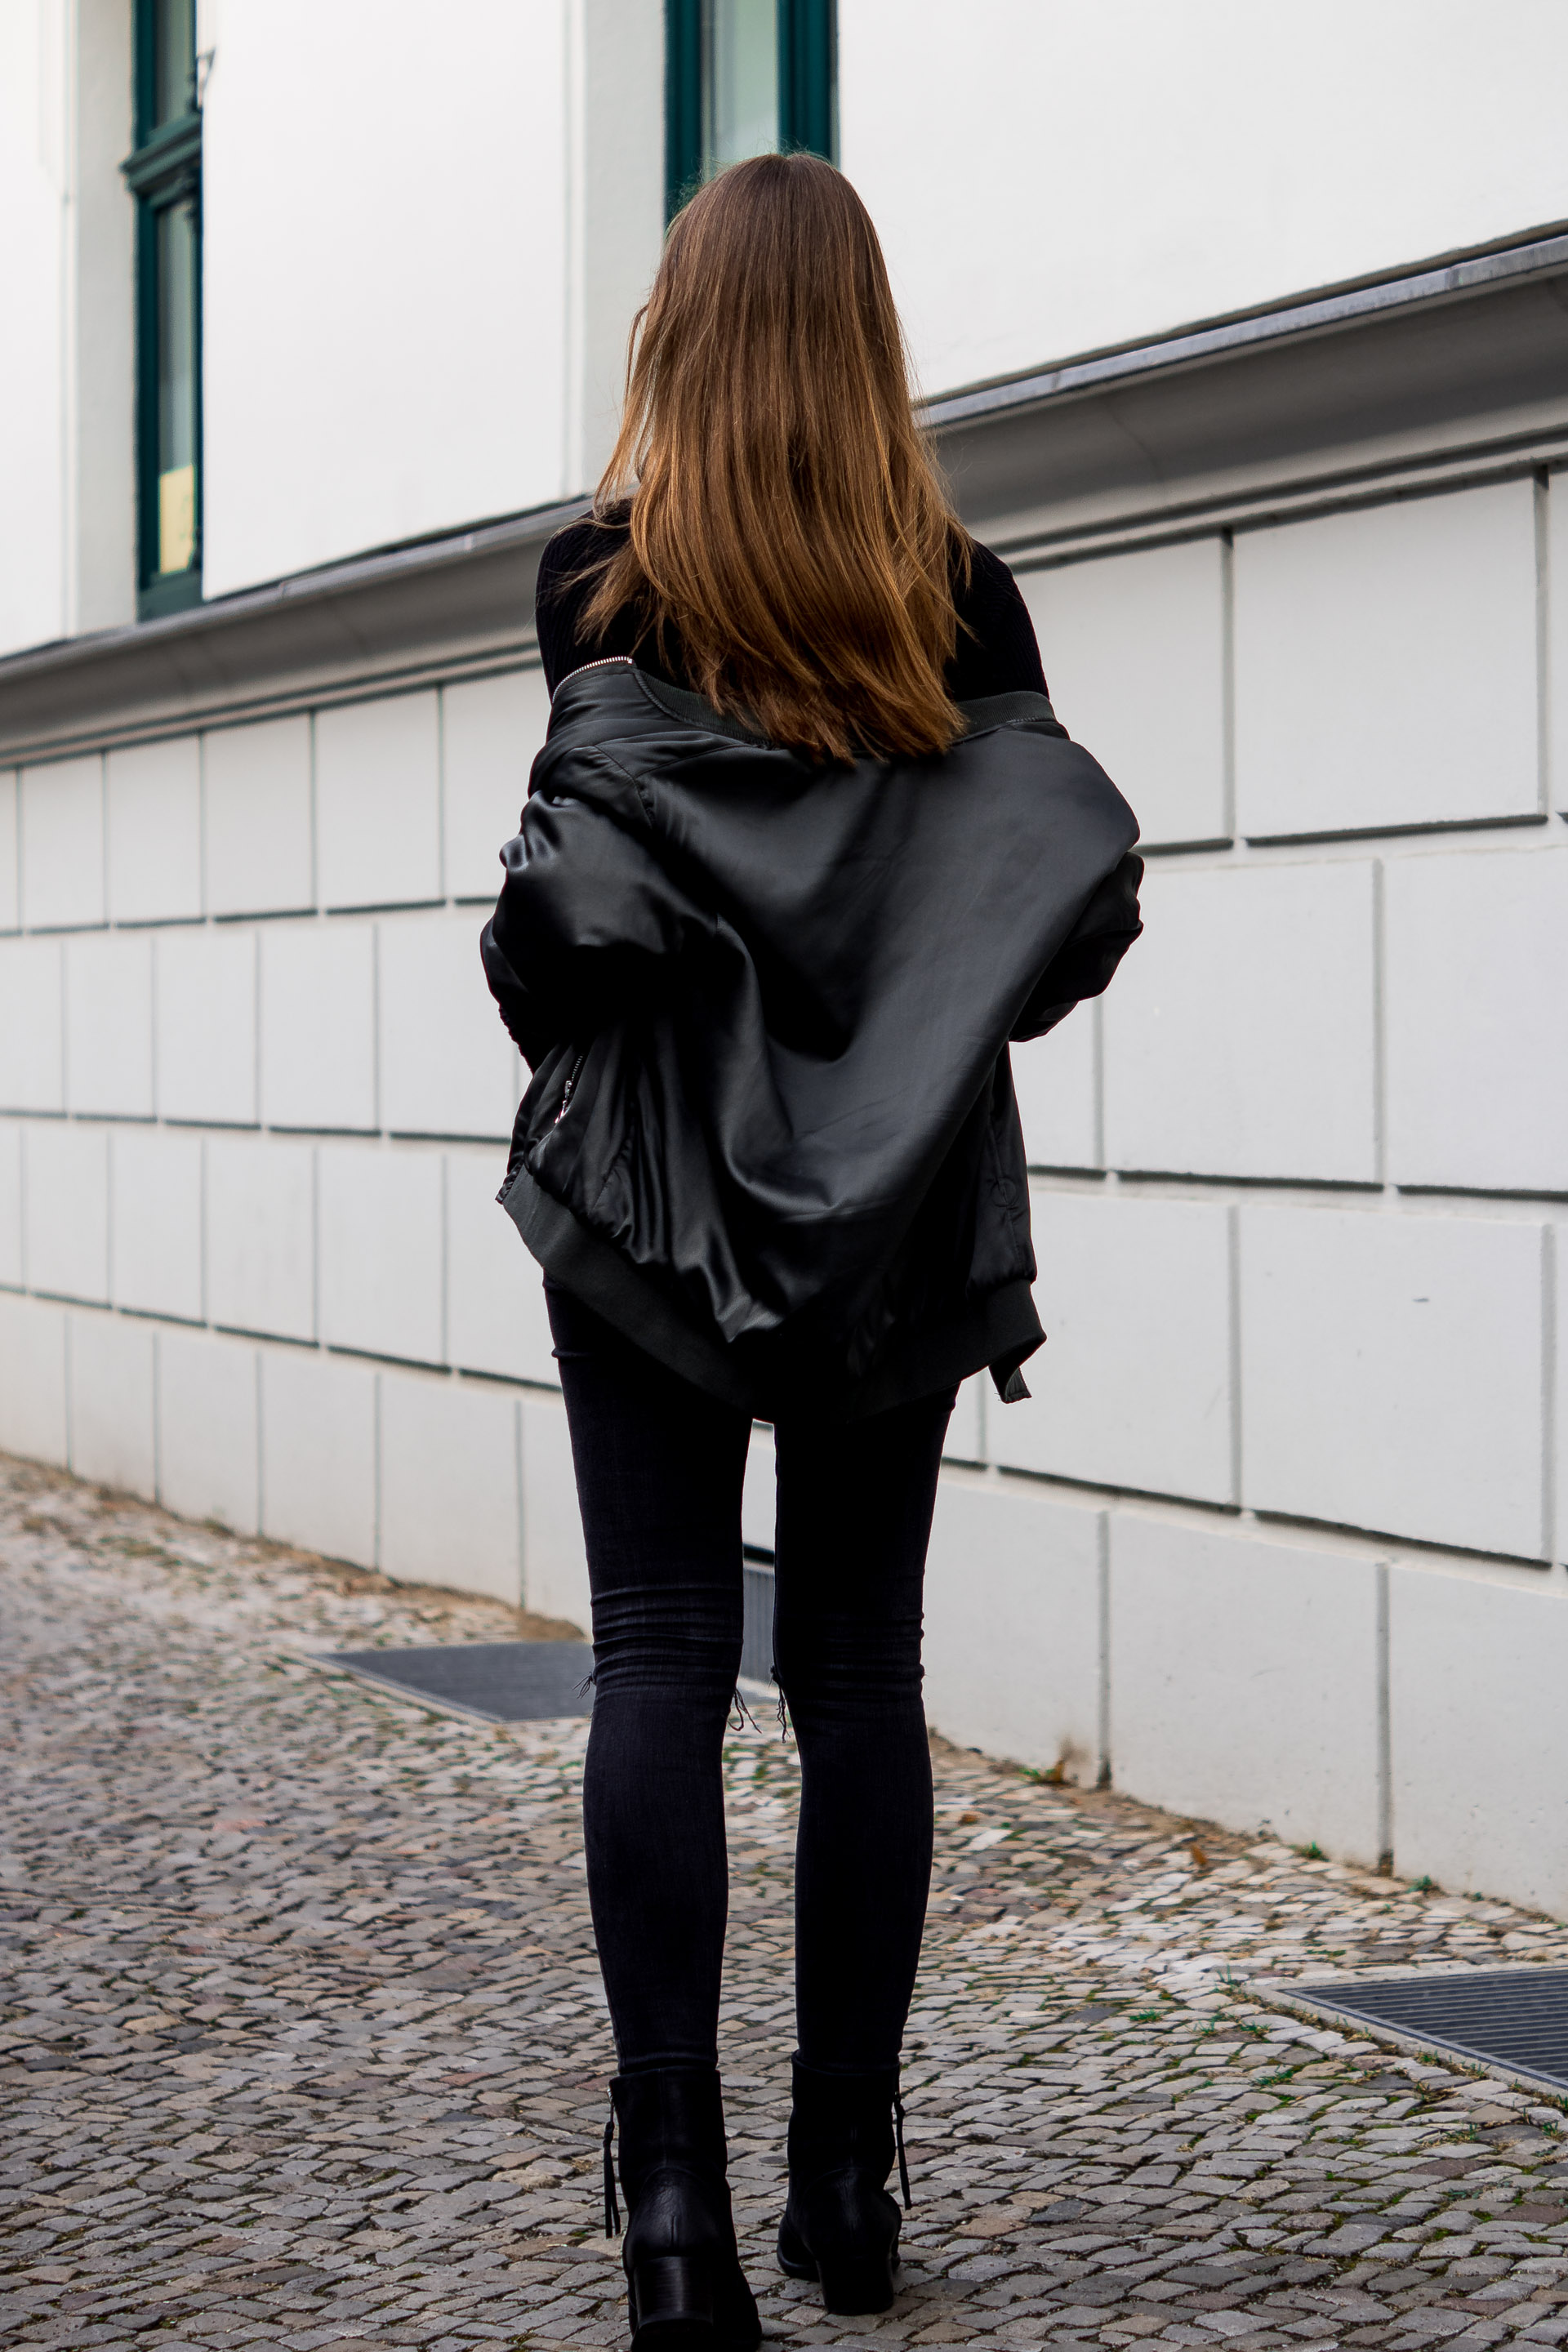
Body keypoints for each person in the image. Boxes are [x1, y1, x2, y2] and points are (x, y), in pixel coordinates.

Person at [482, 152, 1143, 2351]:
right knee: (859, 1665)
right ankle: (843, 2183)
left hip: (650, 1190)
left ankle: (671, 2205)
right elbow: (1053, 935)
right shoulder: (961, 603)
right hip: (901, 1204)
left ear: (677, 344)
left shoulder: (597, 588)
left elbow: (564, 943)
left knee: (659, 1647)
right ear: (871, 355)